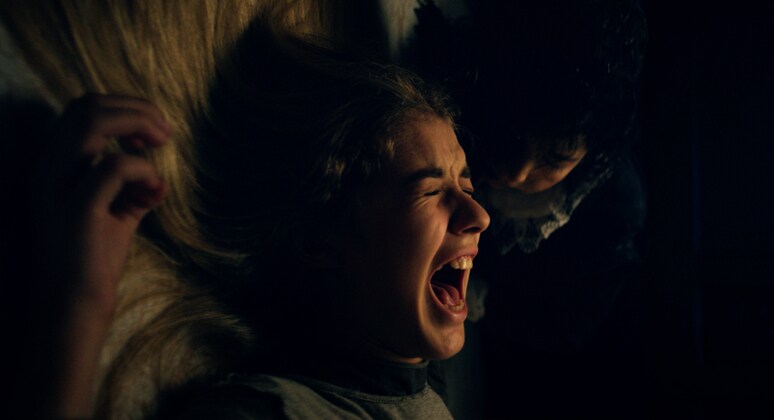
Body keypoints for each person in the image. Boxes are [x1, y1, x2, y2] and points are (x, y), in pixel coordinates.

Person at [25, 20, 489, 419]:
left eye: (466, 188)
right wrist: (83, 304)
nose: (479, 215)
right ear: (319, 240)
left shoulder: (421, 380)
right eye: (430, 191)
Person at [407, 0, 649, 417]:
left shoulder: (613, 209)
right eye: (512, 138)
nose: (517, 174)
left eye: (553, 160)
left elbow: (566, 326)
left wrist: (480, 300)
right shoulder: (464, 86)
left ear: (590, 151)